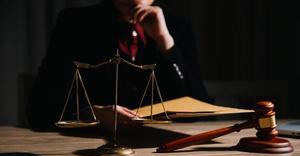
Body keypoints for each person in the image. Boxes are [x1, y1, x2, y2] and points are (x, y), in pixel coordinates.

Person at [26, 0, 208, 130]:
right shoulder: (76, 22)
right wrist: (91, 114)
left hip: (158, 150)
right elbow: (40, 107)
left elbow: (200, 106)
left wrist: (165, 43)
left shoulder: (177, 27)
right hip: (88, 146)